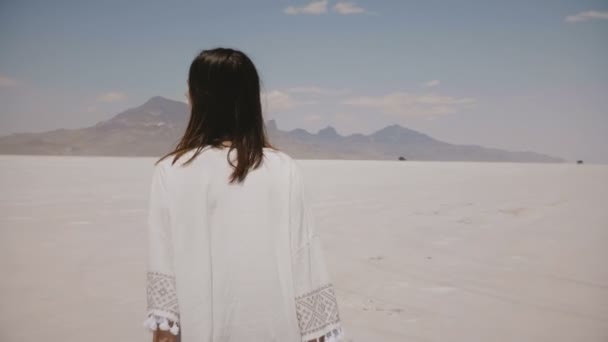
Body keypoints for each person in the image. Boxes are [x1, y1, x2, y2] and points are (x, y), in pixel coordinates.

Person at [142, 47, 345, 342]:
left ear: (198, 98)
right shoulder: (283, 168)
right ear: (251, 100)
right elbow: (306, 264)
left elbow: (165, 285)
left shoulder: (172, 171)